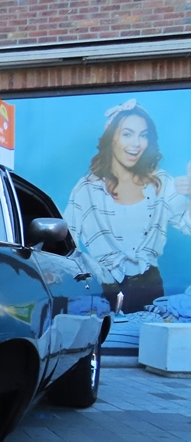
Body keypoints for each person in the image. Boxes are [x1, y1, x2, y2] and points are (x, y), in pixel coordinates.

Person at [65, 99, 191, 314]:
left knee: (148, 333)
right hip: (104, 288)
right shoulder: (86, 189)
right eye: (127, 134)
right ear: (111, 139)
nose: (136, 143)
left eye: (143, 135)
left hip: (150, 288)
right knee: (107, 335)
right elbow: (65, 242)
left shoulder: (160, 182)